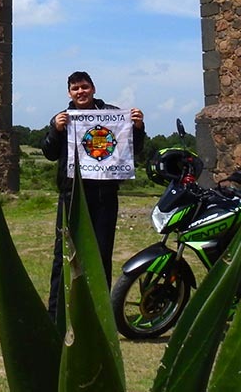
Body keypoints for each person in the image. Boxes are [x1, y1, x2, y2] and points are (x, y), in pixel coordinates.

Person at [40, 70, 145, 319]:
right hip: (72, 196)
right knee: (63, 255)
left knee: (100, 255)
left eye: (84, 87)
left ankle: (99, 313)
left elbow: (134, 148)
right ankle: (55, 313)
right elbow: (48, 152)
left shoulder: (112, 114)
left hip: (104, 196)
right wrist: (55, 130)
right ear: (69, 93)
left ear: (93, 88)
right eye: (75, 88)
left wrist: (138, 127)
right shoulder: (62, 118)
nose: (81, 92)